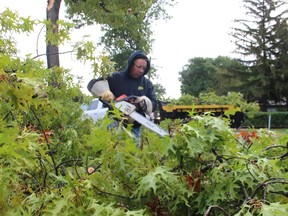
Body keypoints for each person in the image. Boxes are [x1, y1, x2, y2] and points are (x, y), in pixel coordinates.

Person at [87, 50, 157, 147]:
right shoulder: (116, 77)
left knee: (133, 155)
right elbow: (92, 83)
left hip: (135, 125)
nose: (141, 70)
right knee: (113, 151)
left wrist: (146, 103)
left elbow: (154, 103)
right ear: (131, 64)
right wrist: (104, 91)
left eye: (144, 68)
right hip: (115, 122)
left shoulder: (146, 83)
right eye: (139, 67)